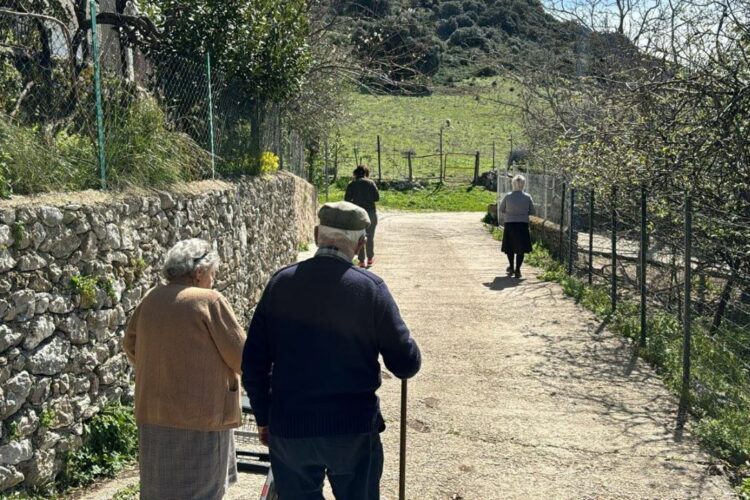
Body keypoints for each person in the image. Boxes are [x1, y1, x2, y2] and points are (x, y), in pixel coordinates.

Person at [242, 201, 421, 500]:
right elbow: (405, 364)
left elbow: (254, 362)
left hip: (290, 427)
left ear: (316, 234)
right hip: (352, 429)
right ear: (361, 243)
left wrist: (263, 417)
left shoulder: (281, 284)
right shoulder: (371, 289)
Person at [123, 239, 246, 500]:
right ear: (199, 272)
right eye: (212, 274)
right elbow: (241, 355)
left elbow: (130, 344)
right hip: (203, 415)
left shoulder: (151, 298)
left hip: (155, 412)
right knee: (203, 491)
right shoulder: (209, 301)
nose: (213, 280)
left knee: (159, 491)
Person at [499, 174, 536, 279]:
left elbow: (501, 209)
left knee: (510, 247)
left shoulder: (508, 196)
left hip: (510, 224)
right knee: (521, 248)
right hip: (522, 224)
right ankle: (518, 270)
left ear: (513, 184)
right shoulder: (527, 197)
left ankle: (511, 266)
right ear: (523, 184)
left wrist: (510, 212)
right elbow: (533, 211)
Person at [345, 165, 380, 268]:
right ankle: (370, 259)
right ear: (366, 173)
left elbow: (347, 199)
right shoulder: (371, 183)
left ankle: (361, 261)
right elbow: (376, 198)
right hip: (371, 213)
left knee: (359, 237)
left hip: (357, 213)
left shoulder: (352, 184)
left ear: (355, 173)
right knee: (370, 236)